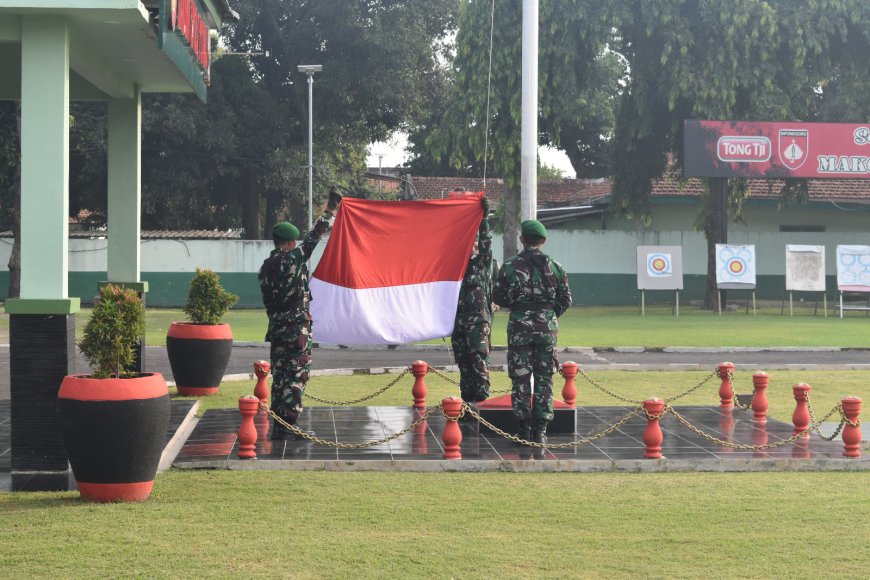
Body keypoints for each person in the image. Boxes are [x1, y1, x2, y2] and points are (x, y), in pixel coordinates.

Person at [259, 187, 343, 440]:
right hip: (296, 328)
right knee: (296, 375)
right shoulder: (294, 259)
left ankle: (278, 425)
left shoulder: (266, 267)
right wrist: (330, 210)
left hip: (276, 328)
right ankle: (290, 425)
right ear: (291, 242)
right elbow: (314, 238)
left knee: (281, 375)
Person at [493, 219, 572, 444]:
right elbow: (566, 299)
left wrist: (519, 306)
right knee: (544, 378)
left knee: (520, 378)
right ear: (543, 241)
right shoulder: (556, 266)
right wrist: (548, 314)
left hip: (519, 327)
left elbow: (497, 296)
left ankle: (523, 429)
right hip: (547, 329)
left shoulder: (510, 266)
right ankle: (541, 430)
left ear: (522, 239)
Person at [451, 196, 498, 415]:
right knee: (464, 365)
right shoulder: (453, 267)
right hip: (458, 321)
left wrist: (484, 219)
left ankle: (482, 407)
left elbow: (487, 243)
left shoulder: (481, 263)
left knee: (478, 362)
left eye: (474, 242)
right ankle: (467, 406)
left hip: (478, 321)